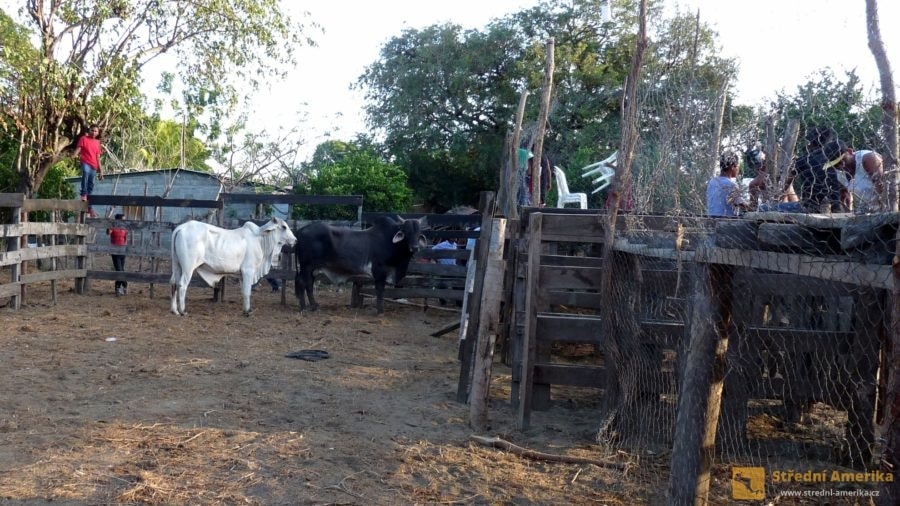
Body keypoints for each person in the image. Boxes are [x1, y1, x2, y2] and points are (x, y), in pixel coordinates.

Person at [782, 127, 845, 214]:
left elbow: (788, 180)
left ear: (811, 143)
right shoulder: (836, 159)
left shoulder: (805, 159)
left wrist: (781, 194)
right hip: (835, 206)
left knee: (764, 208)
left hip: (809, 207)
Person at [833, 144, 885, 213]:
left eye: (842, 161)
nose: (841, 166)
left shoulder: (868, 158)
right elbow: (844, 195)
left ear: (850, 151)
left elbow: (881, 185)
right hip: (866, 210)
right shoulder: (839, 173)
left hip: (884, 205)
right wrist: (848, 212)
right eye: (836, 165)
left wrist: (877, 208)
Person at [73, 124, 103, 217]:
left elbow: (98, 157)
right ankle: (83, 194)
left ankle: (88, 203)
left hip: (94, 165)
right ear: (89, 130)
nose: (93, 132)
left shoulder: (97, 142)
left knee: (91, 183)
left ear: (98, 133)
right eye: (92, 130)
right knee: (85, 173)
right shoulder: (83, 139)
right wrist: (74, 155)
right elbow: (79, 148)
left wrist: (100, 170)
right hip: (85, 162)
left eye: (95, 131)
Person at [706, 150, 748, 217]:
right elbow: (743, 206)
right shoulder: (731, 185)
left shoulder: (712, 182)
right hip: (726, 222)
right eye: (737, 166)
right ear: (732, 167)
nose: (738, 169)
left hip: (711, 220)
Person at [107, 213, 128, 296]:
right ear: (118, 220)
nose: (124, 221)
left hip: (123, 251)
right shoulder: (113, 227)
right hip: (115, 251)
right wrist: (109, 221)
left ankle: (118, 288)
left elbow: (125, 239)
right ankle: (125, 284)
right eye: (123, 219)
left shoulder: (124, 228)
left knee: (121, 269)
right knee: (119, 270)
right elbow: (108, 232)